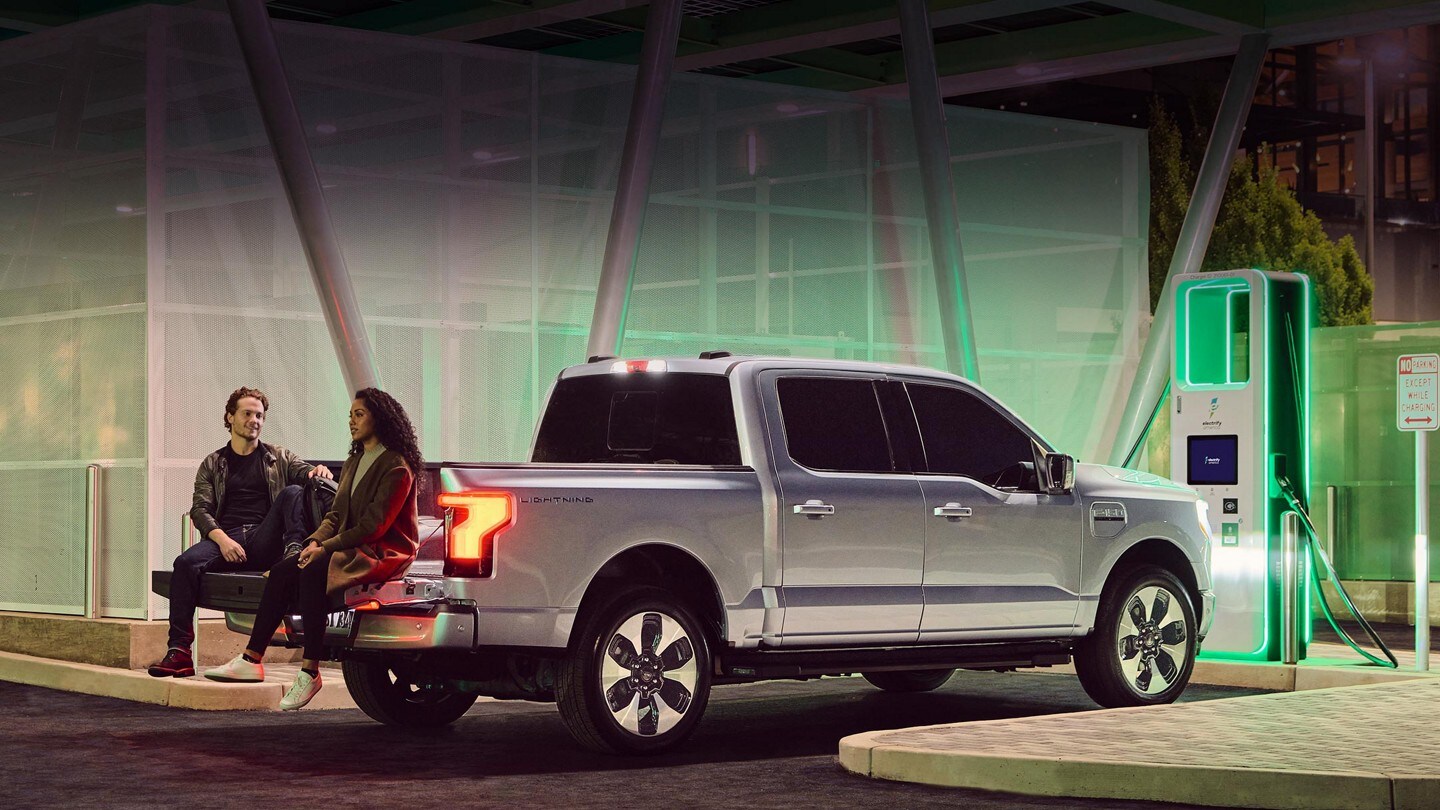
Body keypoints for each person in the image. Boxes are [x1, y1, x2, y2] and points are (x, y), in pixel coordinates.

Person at [205, 388, 422, 710]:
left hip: (380, 550)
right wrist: (314, 542)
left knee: (313, 573)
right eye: (350, 415)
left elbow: (374, 526)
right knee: (282, 570)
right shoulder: (355, 460)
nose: (351, 421)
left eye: (359, 414)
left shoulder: (396, 466)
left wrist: (324, 550)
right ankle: (251, 659)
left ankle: (310, 671)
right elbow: (336, 514)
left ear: (380, 417)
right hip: (346, 546)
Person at [148, 387, 333, 678]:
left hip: (265, 537)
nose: (254, 420)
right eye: (247, 413)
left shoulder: (278, 456)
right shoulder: (213, 462)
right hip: (228, 537)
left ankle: (293, 551)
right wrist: (222, 540)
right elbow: (200, 510)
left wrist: (317, 470)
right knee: (184, 564)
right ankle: (180, 652)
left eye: (259, 415)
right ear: (230, 417)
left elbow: (303, 472)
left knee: (293, 491)